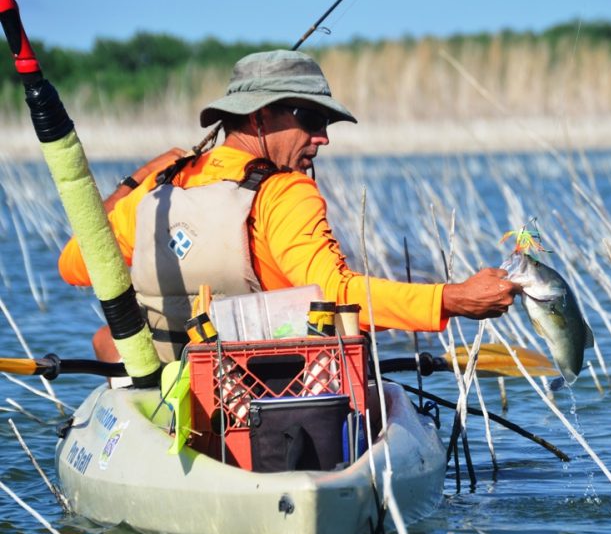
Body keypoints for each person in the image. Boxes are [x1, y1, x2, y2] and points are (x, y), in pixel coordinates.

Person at [58, 50, 520, 363]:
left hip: (177, 391)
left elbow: (76, 263)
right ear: (260, 117)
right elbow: (338, 294)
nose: (324, 137)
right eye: (311, 119)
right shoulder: (286, 192)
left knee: (107, 342)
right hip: (272, 392)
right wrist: (452, 298)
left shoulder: (159, 191)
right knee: (354, 339)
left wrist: (137, 179)